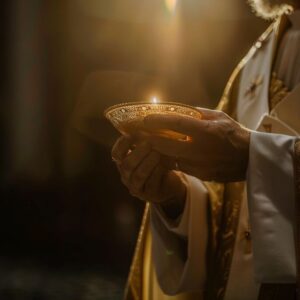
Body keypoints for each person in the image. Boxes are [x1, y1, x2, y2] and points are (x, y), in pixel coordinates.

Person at [112, 0, 300, 299]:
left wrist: (254, 156)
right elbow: (229, 210)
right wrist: (175, 198)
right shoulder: (257, 60)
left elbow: (246, 156)